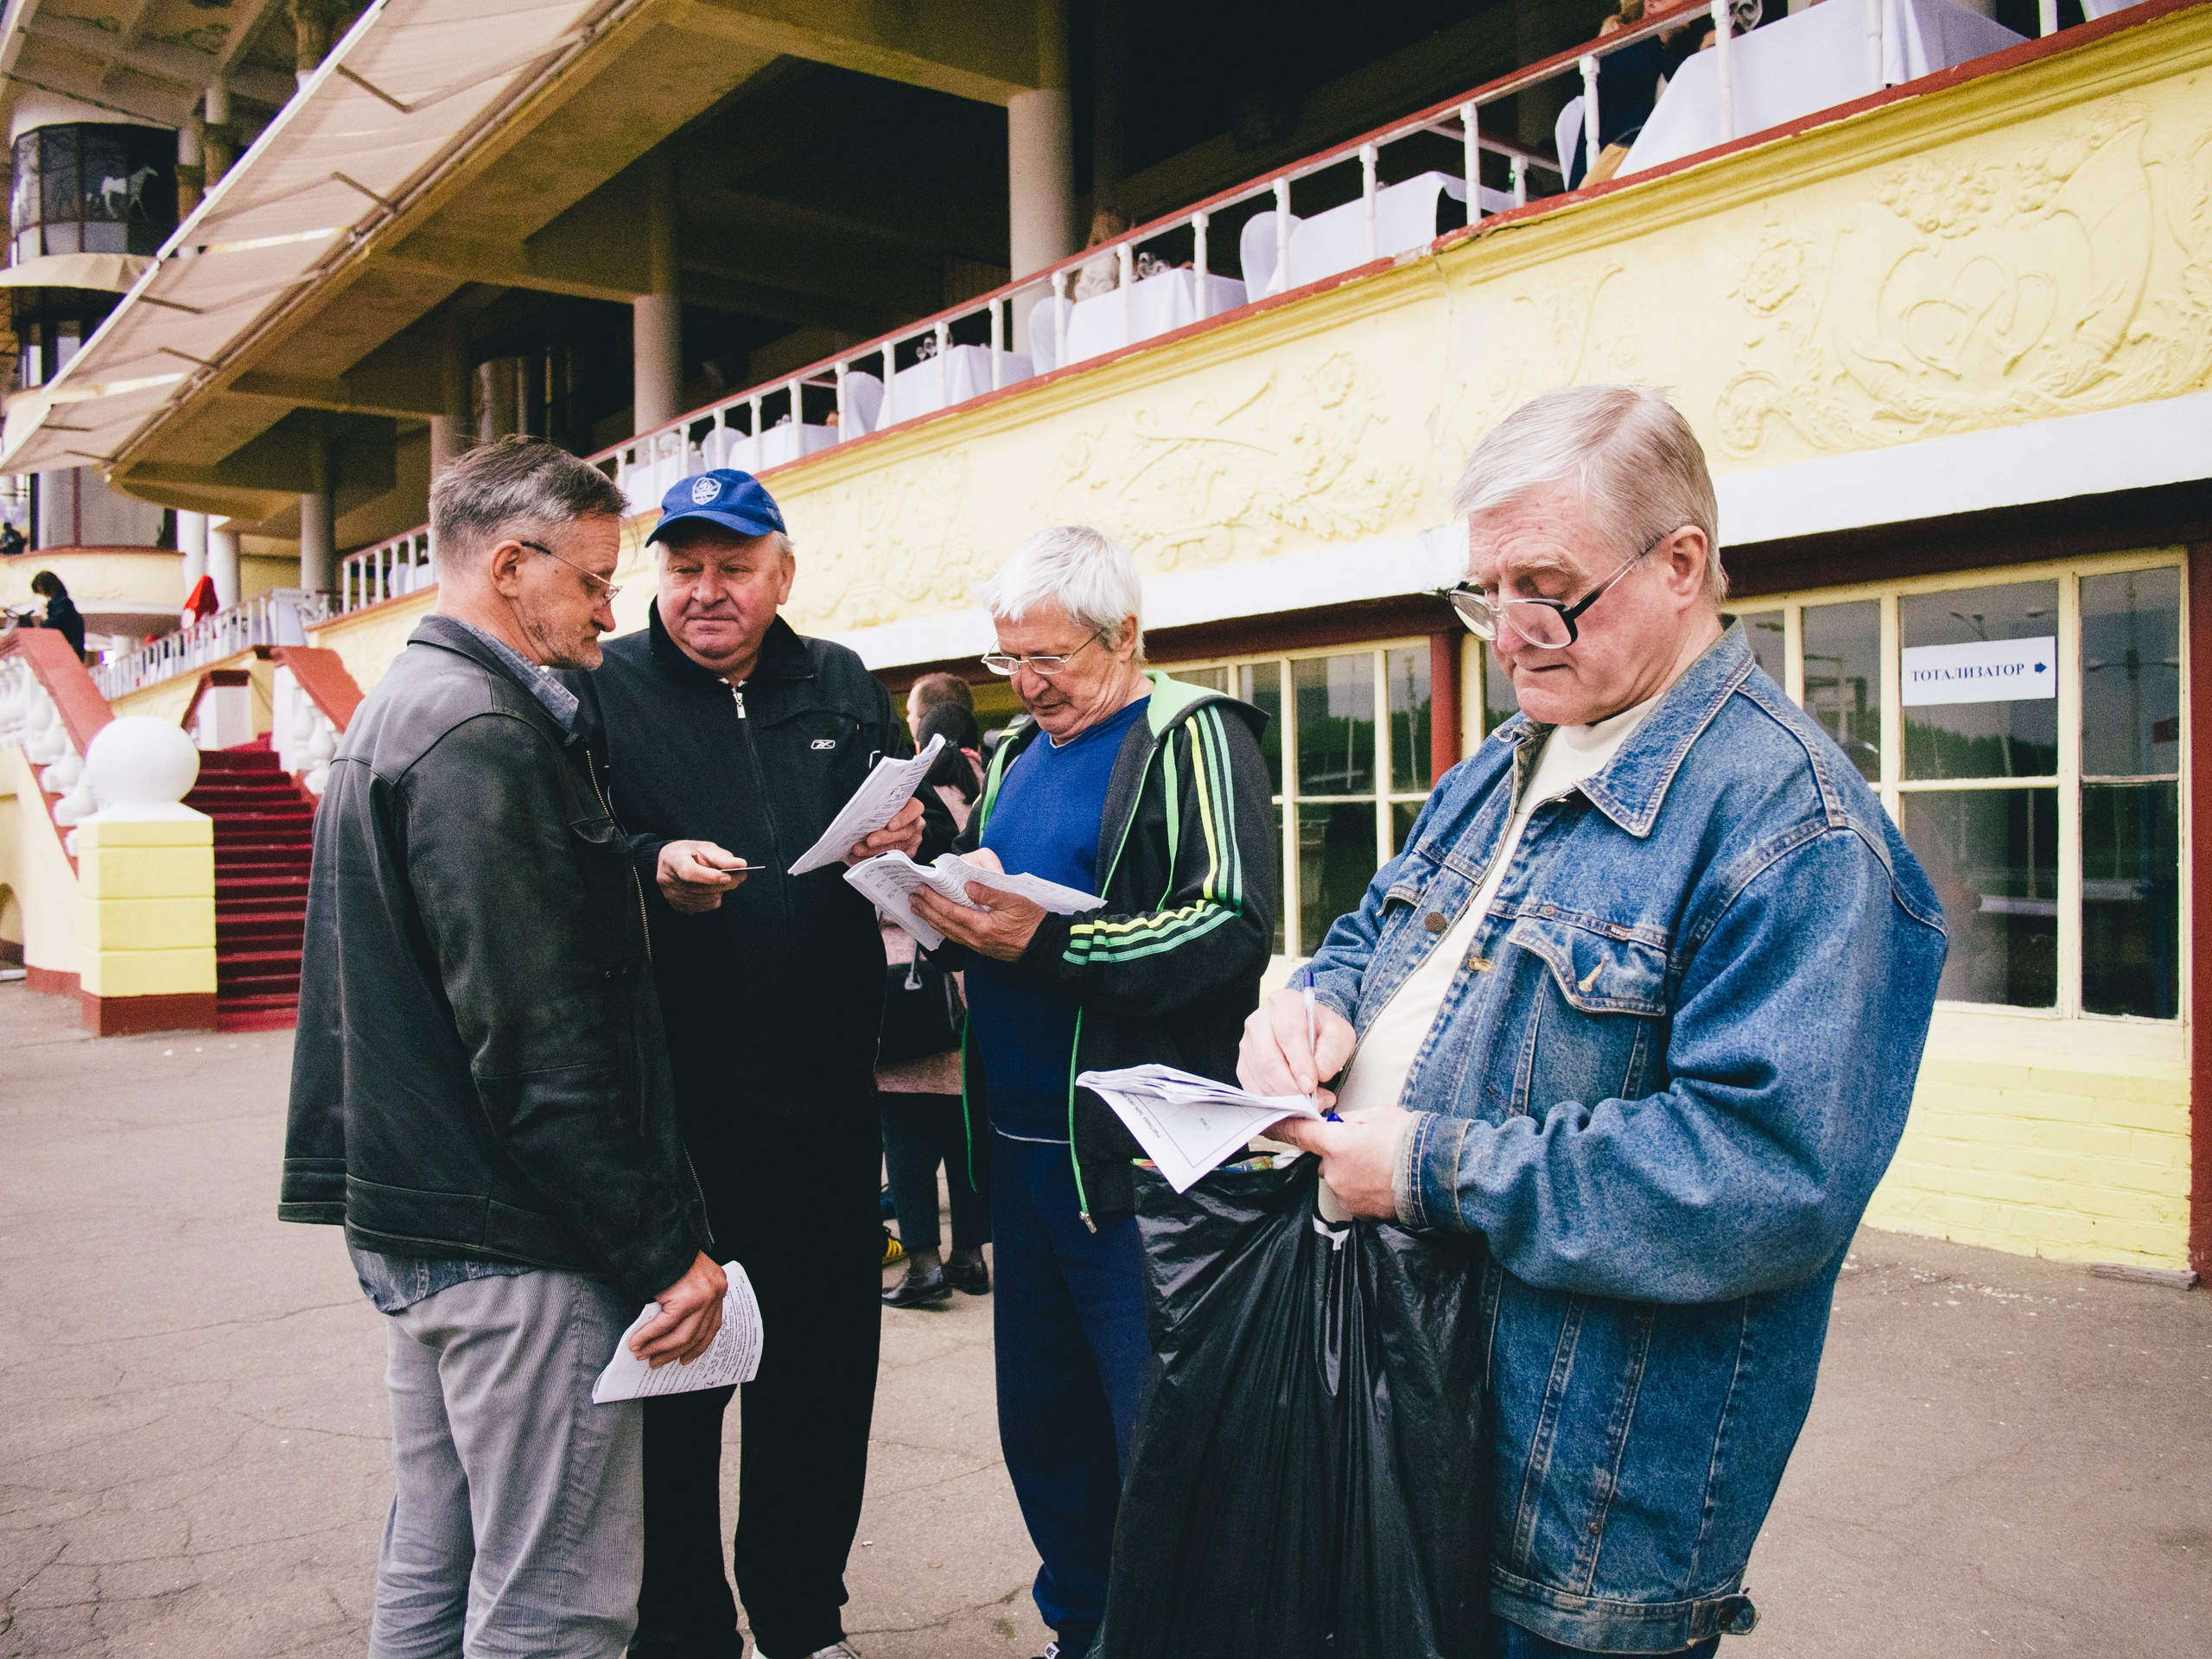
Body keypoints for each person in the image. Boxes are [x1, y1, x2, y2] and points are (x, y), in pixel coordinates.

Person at [1241, 385, 1947, 1657]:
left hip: (1580, 1498)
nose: (1509, 634)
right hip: (1410, 1413)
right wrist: (1309, 1009)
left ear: (1681, 565)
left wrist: (1423, 1166)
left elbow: (1763, 1179)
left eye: (1546, 587)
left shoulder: (1797, 832)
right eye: (1482, 591)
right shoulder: (1500, 763)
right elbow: (1374, 936)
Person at [279, 436, 725, 1659]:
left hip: (426, 1226)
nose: (607, 606)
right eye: (591, 578)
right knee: (555, 1605)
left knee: (441, 1557)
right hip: (515, 1241)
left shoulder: (407, 707)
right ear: (513, 565)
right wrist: (661, 1249)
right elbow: (537, 1042)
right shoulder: (481, 732)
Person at [567, 468, 958, 1659]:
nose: (706, 591)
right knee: (677, 1397)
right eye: (683, 569)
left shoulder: (839, 682)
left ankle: (803, 1621)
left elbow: (927, 809)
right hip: (678, 1119)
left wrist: (919, 827)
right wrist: (652, 863)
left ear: (781, 574)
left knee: (822, 1390)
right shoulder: (607, 689)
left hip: (830, 1112)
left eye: (732, 567)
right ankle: (683, 1633)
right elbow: (578, 853)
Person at [909, 525, 1277, 1659]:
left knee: (1159, 1444)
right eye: (1006, 660)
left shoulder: (1192, 733)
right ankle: (1085, 1631)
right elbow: (1004, 904)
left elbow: (1232, 925)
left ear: (1126, 637)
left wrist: (1054, 947)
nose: (1025, 685)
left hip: (1133, 1167)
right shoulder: (1020, 751)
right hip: (1020, 1162)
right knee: (1050, 1436)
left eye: (1050, 660)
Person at [879, 699, 991, 1308]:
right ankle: (970, 1256)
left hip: (908, 987)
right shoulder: (977, 792)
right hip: (966, 991)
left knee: (906, 1133)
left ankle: (923, 1266)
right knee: (961, 1128)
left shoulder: (908, 805)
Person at [28, 570, 85, 658]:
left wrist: (43, 612)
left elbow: (51, 628)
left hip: (66, 655)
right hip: (69, 653)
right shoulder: (61, 604)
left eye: (42, 591)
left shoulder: (63, 604)